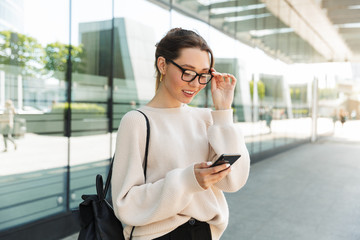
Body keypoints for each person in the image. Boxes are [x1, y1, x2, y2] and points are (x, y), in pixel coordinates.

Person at [111, 28, 250, 240]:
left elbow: (233, 182)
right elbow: (125, 205)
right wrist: (187, 181)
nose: (195, 84)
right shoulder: (137, 121)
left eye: (203, 75)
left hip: (204, 232)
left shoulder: (208, 119)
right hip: (157, 235)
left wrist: (223, 112)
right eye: (187, 71)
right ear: (162, 65)